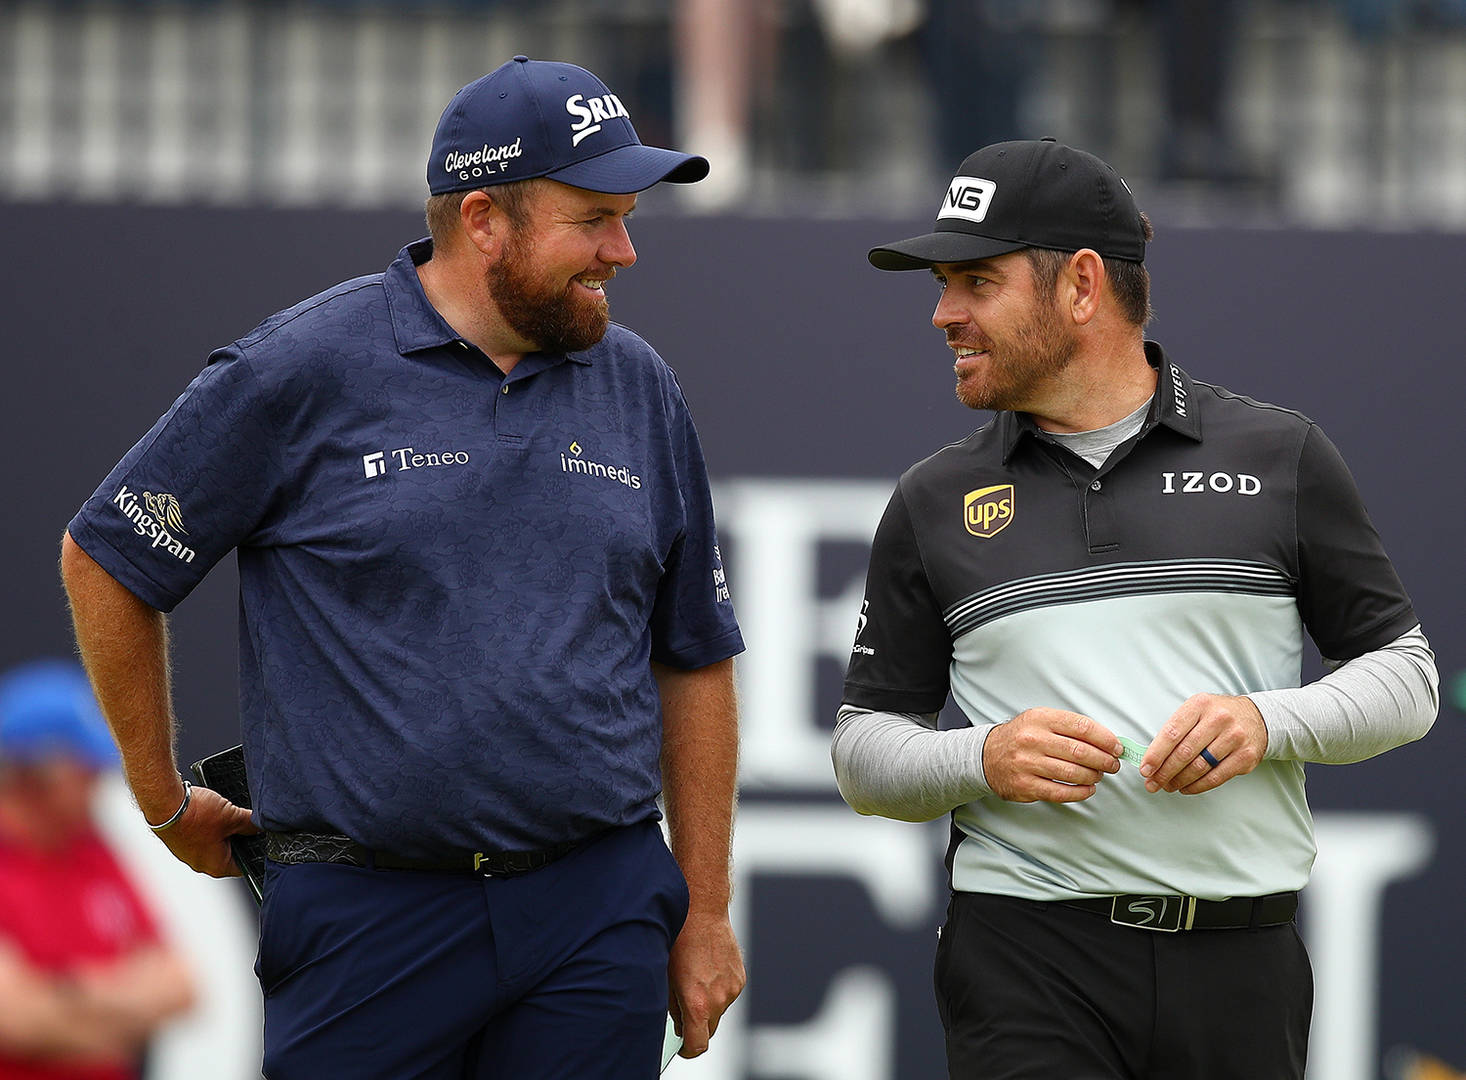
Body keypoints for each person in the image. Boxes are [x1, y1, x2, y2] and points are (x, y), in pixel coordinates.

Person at [59, 55, 745, 1080]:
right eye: (594, 218)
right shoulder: (300, 368)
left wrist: (703, 909)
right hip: (367, 919)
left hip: (592, 905)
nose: (624, 250)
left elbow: (693, 654)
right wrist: (158, 798)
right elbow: (108, 556)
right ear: (483, 219)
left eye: (627, 216)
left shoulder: (638, 384)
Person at [833, 138, 1439, 1079]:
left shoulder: (1284, 456)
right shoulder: (931, 498)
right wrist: (981, 756)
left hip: (1244, 959)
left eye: (975, 281)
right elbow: (865, 752)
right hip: (1023, 957)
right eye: (943, 284)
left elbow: (1408, 680)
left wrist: (1264, 722)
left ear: (1081, 286)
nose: (943, 314)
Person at [0, 659, 195, 1080]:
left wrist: (67, 990)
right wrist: (120, 1016)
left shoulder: (93, 851)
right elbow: (14, 1020)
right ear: (36, 773)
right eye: (84, 768)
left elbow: (180, 986)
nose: (98, 781)